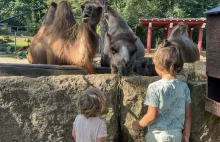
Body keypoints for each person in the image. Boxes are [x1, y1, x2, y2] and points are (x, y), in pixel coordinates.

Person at [132, 40, 191, 142]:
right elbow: (188, 116)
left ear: (159, 65)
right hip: (177, 135)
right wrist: (186, 136)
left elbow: (151, 116)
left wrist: (137, 125)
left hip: (158, 136)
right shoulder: (184, 87)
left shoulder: (154, 87)